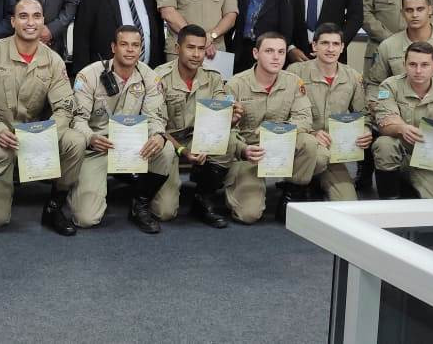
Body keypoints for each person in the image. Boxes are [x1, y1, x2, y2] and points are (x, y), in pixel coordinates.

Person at [0, 0, 85, 235]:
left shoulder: (53, 60)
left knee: (75, 140)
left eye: (36, 16)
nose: (30, 22)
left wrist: (48, 134)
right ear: (13, 22)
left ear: (43, 22)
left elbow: (64, 107)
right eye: (23, 16)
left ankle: (55, 205)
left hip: (34, 136)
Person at [70, 25, 170, 233]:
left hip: (133, 148)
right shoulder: (88, 76)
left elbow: (154, 117)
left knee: (166, 149)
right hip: (98, 148)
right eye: (124, 44)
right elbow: (77, 120)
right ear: (113, 47)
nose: (130, 50)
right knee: (86, 218)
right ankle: (78, 188)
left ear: (141, 49)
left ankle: (140, 203)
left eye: (135, 45)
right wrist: (91, 138)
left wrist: (158, 135)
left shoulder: (150, 77)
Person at [226, 32, 325, 223]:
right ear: (256, 53)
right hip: (250, 154)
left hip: (281, 146)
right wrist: (243, 150)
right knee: (249, 215)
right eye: (269, 51)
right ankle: (236, 187)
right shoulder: (235, 85)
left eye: (281, 52)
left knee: (314, 149)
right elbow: (224, 131)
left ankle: (292, 192)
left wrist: (277, 131)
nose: (276, 57)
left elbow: (304, 119)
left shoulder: (293, 82)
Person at [154, 25, 233, 228]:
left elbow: (219, 117)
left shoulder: (214, 77)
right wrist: (182, 150)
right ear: (177, 47)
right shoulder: (159, 78)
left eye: (201, 48)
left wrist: (232, 116)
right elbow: (155, 124)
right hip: (167, 143)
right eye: (191, 48)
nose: (197, 54)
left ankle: (203, 197)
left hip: (199, 138)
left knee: (229, 142)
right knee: (165, 212)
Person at [287, 23, 369, 201]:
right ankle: (295, 185)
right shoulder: (295, 72)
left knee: (347, 201)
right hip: (303, 146)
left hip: (335, 150)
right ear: (314, 46)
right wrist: (309, 133)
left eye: (335, 44)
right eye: (324, 43)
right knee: (317, 157)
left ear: (342, 47)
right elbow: (282, 115)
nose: (330, 49)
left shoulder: (353, 77)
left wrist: (366, 131)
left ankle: (315, 181)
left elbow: (364, 114)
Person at [369, 42, 433, 199]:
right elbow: (385, 124)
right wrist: (402, 128)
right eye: (412, 64)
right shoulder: (390, 86)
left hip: (428, 159)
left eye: (425, 65)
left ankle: (414, 184)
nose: (418, 71)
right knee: (384, 144)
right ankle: (389, 200)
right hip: (398, 152)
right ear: (404, 65)